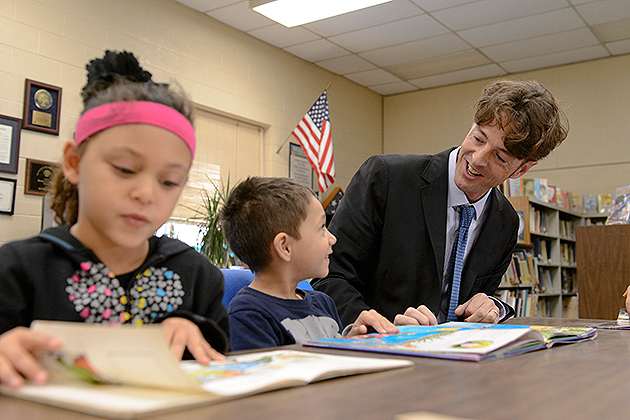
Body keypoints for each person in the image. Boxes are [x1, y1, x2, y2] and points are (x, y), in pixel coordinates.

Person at [0, 50, 230, 389]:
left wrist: (198, 336)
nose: (146, 194)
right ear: (74, 163)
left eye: (168, 182)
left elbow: (227, 374)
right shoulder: (17, 269)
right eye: (124, 169)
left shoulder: (197, 274)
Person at [312, 79, 569, 327]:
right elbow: (328, 277)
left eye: (500, 156)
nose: (477, 158)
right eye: (478, 138)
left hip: (456, 361)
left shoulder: (506, 221)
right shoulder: (386, 178)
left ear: (522, 169)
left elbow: (477, 299)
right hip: (376, 354)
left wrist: (490, 306)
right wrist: (372, 326)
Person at [220, 176, 398, 351]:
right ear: (285, 247)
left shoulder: (323, 302)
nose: (332, 238)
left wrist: (355, 338)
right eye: (322, 227)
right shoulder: (249, 317)